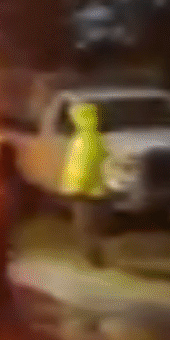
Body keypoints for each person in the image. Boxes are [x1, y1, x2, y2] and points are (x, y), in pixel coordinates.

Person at [58, 99, 109, 267]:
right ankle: (95, 255)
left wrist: (74, 187)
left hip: (83, 191)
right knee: (93, 225)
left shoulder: (81, 141)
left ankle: (93, 257)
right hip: (95, 190)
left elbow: (81, 167)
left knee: (85, 226)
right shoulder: (96, 138)